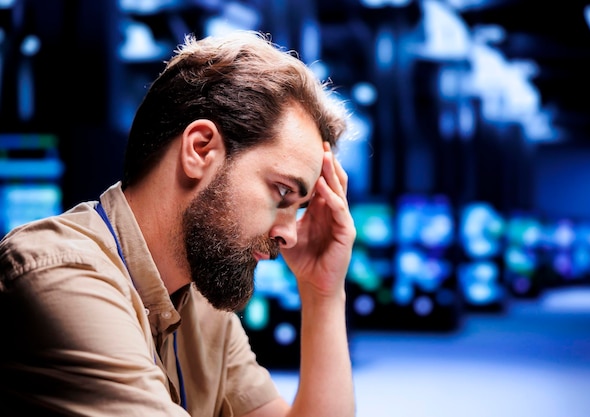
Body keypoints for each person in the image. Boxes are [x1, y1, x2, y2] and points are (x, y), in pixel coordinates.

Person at [0, 30, 356, 417]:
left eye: (299, 208)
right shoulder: (61, 274)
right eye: (282, 193)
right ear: (200, 150)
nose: (289, 234)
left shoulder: (200, 307)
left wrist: (323, 292)